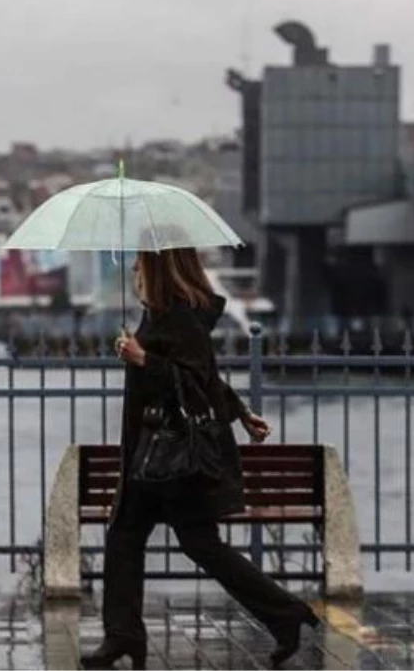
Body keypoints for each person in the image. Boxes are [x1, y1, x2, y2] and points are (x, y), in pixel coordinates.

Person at [80, 248, 319, 669]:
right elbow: (206, 377)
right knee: (126, 536)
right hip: (152, 454)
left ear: (160, 265)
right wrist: (242, 413)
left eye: (140, 260)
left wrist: (143, 359)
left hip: (170, 455)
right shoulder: (161, 314)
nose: (134, 267)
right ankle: (123, 636)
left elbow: (191, 381)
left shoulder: (180, 317)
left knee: (194, 543)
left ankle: (285, 614)